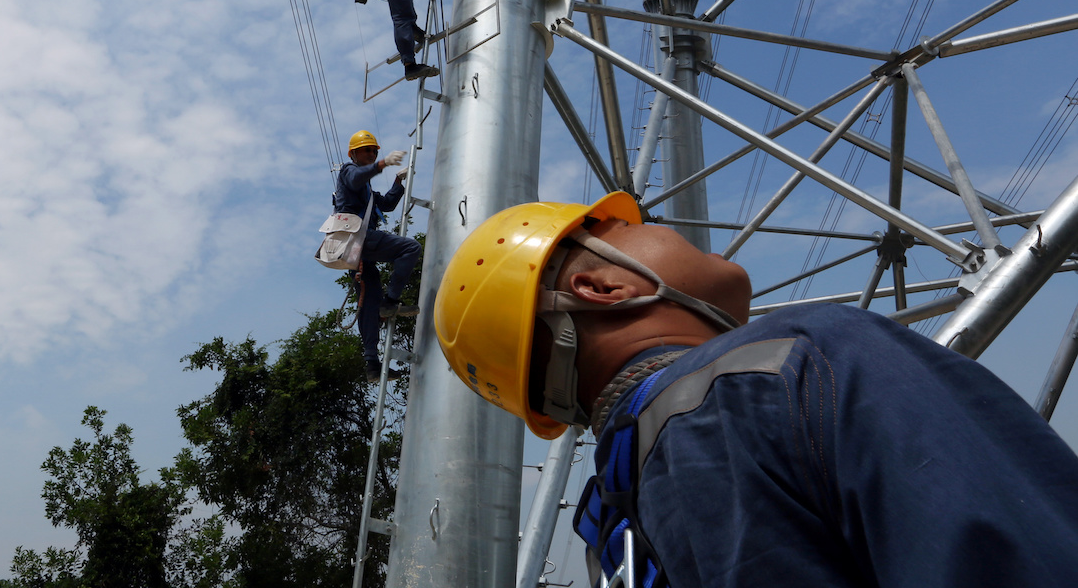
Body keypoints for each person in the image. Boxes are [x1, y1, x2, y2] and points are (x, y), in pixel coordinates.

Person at [434, 192, 1078, 588]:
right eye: (632, 226)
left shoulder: (611, 525)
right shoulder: (792, 366)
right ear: (605, 288)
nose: (661, 223)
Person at [336, 130, 422, 380]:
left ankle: (372, 364)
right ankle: (391, 301)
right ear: (353, 154)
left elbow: (385, 205)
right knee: (410, 248)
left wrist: (398, 183)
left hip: (357, 247)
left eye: (374, 151)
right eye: (366, 150)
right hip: (359, 239)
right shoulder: (348, 171)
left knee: (369, 301)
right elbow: (354, 179)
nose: (372, 154)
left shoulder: (366, 190)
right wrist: (382, 164)